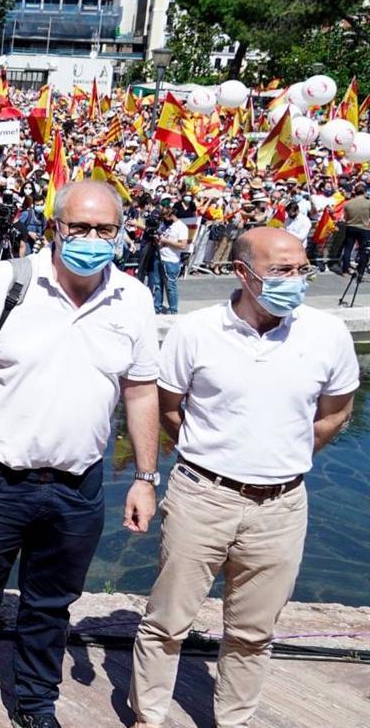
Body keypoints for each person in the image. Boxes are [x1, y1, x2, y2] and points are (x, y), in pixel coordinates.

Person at [0, 181, 162, 728]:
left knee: (51, 603)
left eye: (104, 229)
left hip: (77, 483)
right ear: (54, 227)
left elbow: (141, 389)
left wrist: (145, 477)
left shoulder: (132, 297)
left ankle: (36, 700)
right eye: (79, 227)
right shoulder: (8, 282)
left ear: (120, 232)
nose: (91, 239)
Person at [130, 228, 358, 728]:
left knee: (254, 631)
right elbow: (170, 408)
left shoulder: (327, 333)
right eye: (281, 271)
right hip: (201, 494)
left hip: (282, 505)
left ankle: (235, 720)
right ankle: (149, 716)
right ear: (242, 272)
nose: (295, 281)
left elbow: (336, 412)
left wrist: (285, 453)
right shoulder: (196, 331)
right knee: (167, 619)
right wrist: (218, 451)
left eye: (303, 270)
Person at [147, 201, 188, 314]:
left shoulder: (181, 227)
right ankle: (157, 307)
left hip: (171, 260)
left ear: (171, 216)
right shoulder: (164, 225)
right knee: (157, 285)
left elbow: (182, 245)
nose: (164, 220)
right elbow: (160, 234)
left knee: (170, 287)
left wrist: (166, 241)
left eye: (165, 217)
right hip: (159, 257)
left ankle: (173, 310)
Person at [335, 183, 370, 273]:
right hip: (364, 228)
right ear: (365, 192)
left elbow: (345, 218)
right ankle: (361, 270)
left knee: (348, 249)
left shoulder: (348, 203)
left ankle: (345, 269)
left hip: (351, 227)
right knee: (363, 250)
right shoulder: (368, 203)